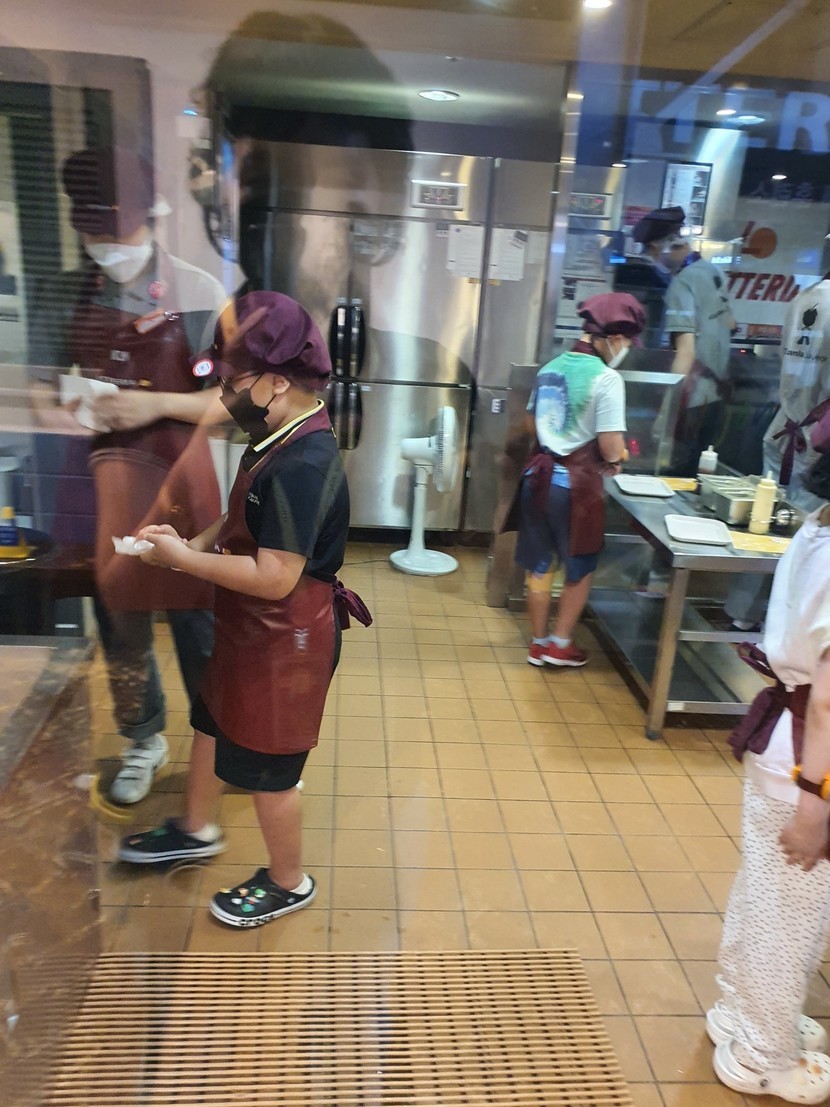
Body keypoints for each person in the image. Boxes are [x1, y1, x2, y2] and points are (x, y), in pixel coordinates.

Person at [116, 291, 370, 928]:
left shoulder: (305, 463)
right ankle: (197, 827)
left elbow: (276, 577)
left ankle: (288, 881)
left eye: (233, 380)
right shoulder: (273, 434)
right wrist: (188, 544)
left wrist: (183, 562)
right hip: (248, 626)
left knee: (268, 771)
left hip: (288, 639)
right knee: (211, 723)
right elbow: (239, 521)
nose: (224, 392)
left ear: (277, 380)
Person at [29, 146, 228, 804]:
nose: (104, 244)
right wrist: (69, 409)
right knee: (120, 622)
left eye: (116, 227)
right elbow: (40, 389)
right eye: (92, 230)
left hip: (181, 482)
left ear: (152, 216)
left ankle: (224, 742)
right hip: (99, 482)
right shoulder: (65, 291)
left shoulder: (198, 292)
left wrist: (155, 404)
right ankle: (143, 739)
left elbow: (232, 404)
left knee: (200, 619)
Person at [712, 452, 830, 1104]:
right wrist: (816, 804)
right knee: (794, 916)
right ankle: (764, 1056)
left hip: (780, 741)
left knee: (765, 891)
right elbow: (829, 701)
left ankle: (739, 1012)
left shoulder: (818, 524)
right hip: (811, 760)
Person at [504, 291, 644, 669]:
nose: (625, 349)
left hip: (537, 480)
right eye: (626, 343)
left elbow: (532, 424)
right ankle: (561, 645)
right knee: (579, 569)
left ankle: (538, 644)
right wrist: (617, 457)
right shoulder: (607, 379)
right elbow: (611, 446)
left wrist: (558, 437)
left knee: (539, 566)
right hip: (575, 490)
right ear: (614, 338)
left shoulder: (550, 368)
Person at [726, 271, 830, 631]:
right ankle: (786, 629)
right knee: (806, 539)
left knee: (765, 523)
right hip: (817, 440)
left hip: (785, 427)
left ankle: (742, 616)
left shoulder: (805, 298)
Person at [663, 235, 734, 476]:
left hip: (692, 398)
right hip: (715, 394)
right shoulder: (714, 272)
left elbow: (686, 351)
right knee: (697, 472)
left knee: (676, 472)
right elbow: (730, 323)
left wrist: (666, 411)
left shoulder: (682, 282)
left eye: (652, 251)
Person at [613, 205, 685, 349]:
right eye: (673, 238)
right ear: (654, 245)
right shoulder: (640, 274)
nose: (681, 244)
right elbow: (642, 334)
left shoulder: (664, 276)